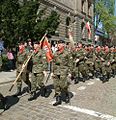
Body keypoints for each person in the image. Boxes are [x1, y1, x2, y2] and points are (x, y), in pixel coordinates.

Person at [51, 41, 71, 106]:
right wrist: (52, 71)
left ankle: (67, 94)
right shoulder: (56, 53)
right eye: (58, 44)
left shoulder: (67, 52)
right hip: (56, 71)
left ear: (63, 45)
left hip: (64, 71)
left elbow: (70, 63)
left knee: (63, 85)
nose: (58, 45)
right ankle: (58, 99)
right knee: (56, 85)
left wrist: (70, 72)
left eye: (59, 44)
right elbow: (53, 63)